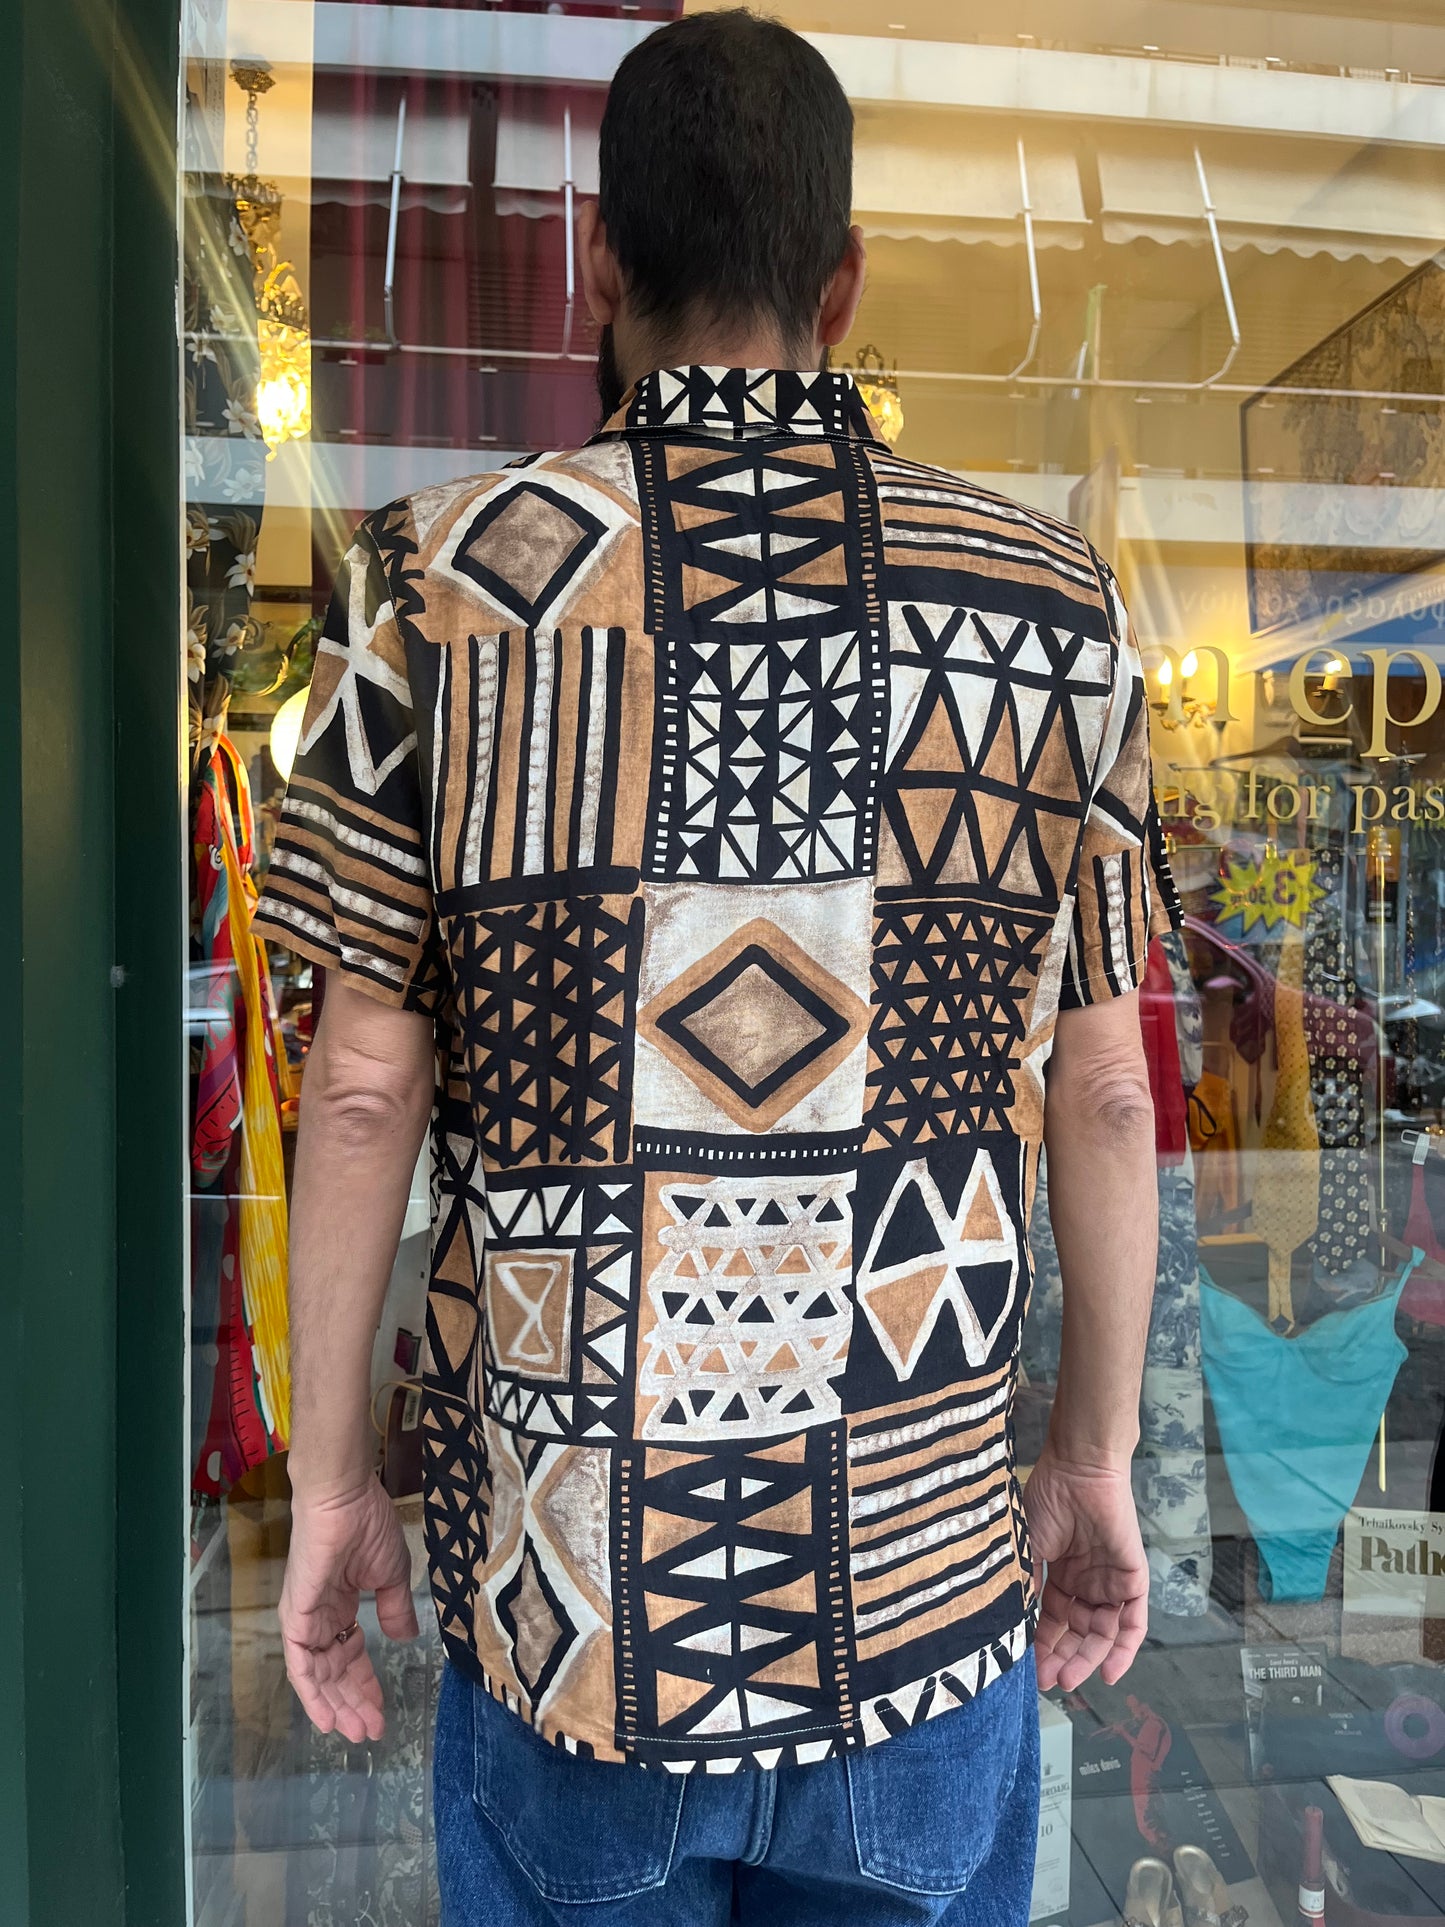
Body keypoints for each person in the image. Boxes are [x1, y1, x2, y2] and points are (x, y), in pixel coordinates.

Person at [253, 10, 1176, 1922]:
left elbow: (356, 1088)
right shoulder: (1049, 609)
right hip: (913, 1599)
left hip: (574, 1612)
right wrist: (1092, 1455)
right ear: (841, 285)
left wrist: (330, 1486)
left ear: (599, 266)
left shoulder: (433, 590)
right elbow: (1101, 1085)